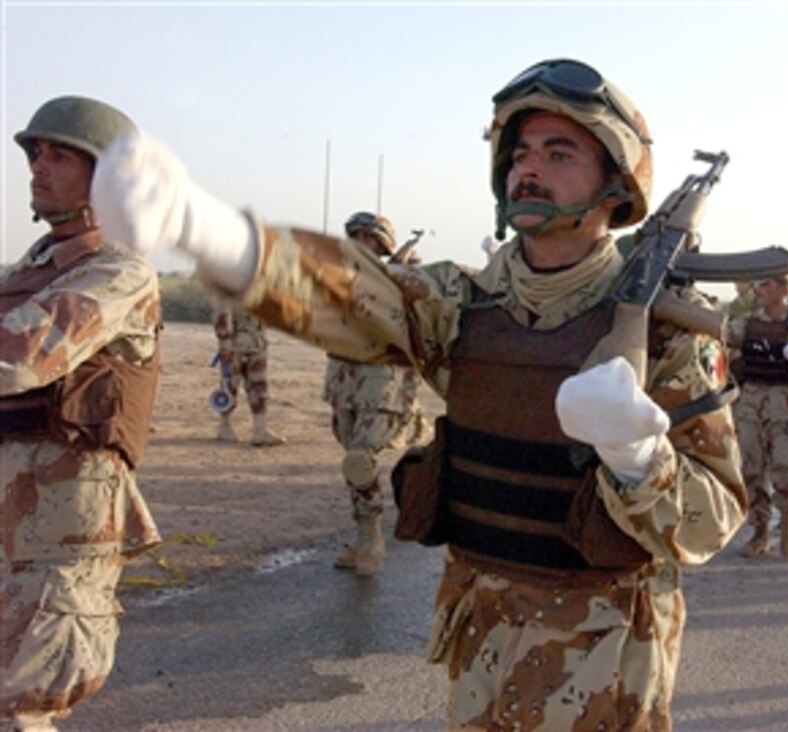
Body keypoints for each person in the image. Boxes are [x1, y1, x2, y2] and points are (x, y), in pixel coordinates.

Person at [91, 58, 748, 729]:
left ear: (616, 184)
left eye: (559, 152)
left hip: (605, 661)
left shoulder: (666, 335)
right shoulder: (463, 304)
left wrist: (637, 454)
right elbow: (355, 294)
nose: (529, 167)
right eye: (519, 151)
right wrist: (206, 230)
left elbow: (710, 525)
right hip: (481, 640)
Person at [1, 96, 162, 731]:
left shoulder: (120, 272)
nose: (39, 167)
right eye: (36, 154)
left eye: (59, 155)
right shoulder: (27, 270)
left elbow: (22, 351)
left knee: (27, 708)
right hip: (12, 516)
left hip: (63, 528)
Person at [325, 211, 431, 576]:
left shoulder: (405, 277)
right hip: (344, 381)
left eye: (367, 237)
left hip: (382, 385)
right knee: (352, 466)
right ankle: (362, 535)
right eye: (353, 235)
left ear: (383, 245)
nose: (358, 242)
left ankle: (372, 539)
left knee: (359, 459)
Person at [727, 276, 788, 557]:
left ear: (785, 290)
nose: (760, 290)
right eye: (760, 285)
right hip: (752, 403)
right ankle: (760, 533)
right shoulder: (747, 323)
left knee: (786, 469)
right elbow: (723, 335)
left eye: (767, 285)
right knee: (751, 470)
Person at [211, 303, 287, 447]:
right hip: (235, 344)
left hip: (257, 342)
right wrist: (224, 343)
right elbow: (222, 311)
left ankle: (260, 430)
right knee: (229, 386)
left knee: (259, 386)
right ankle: (225, 426)